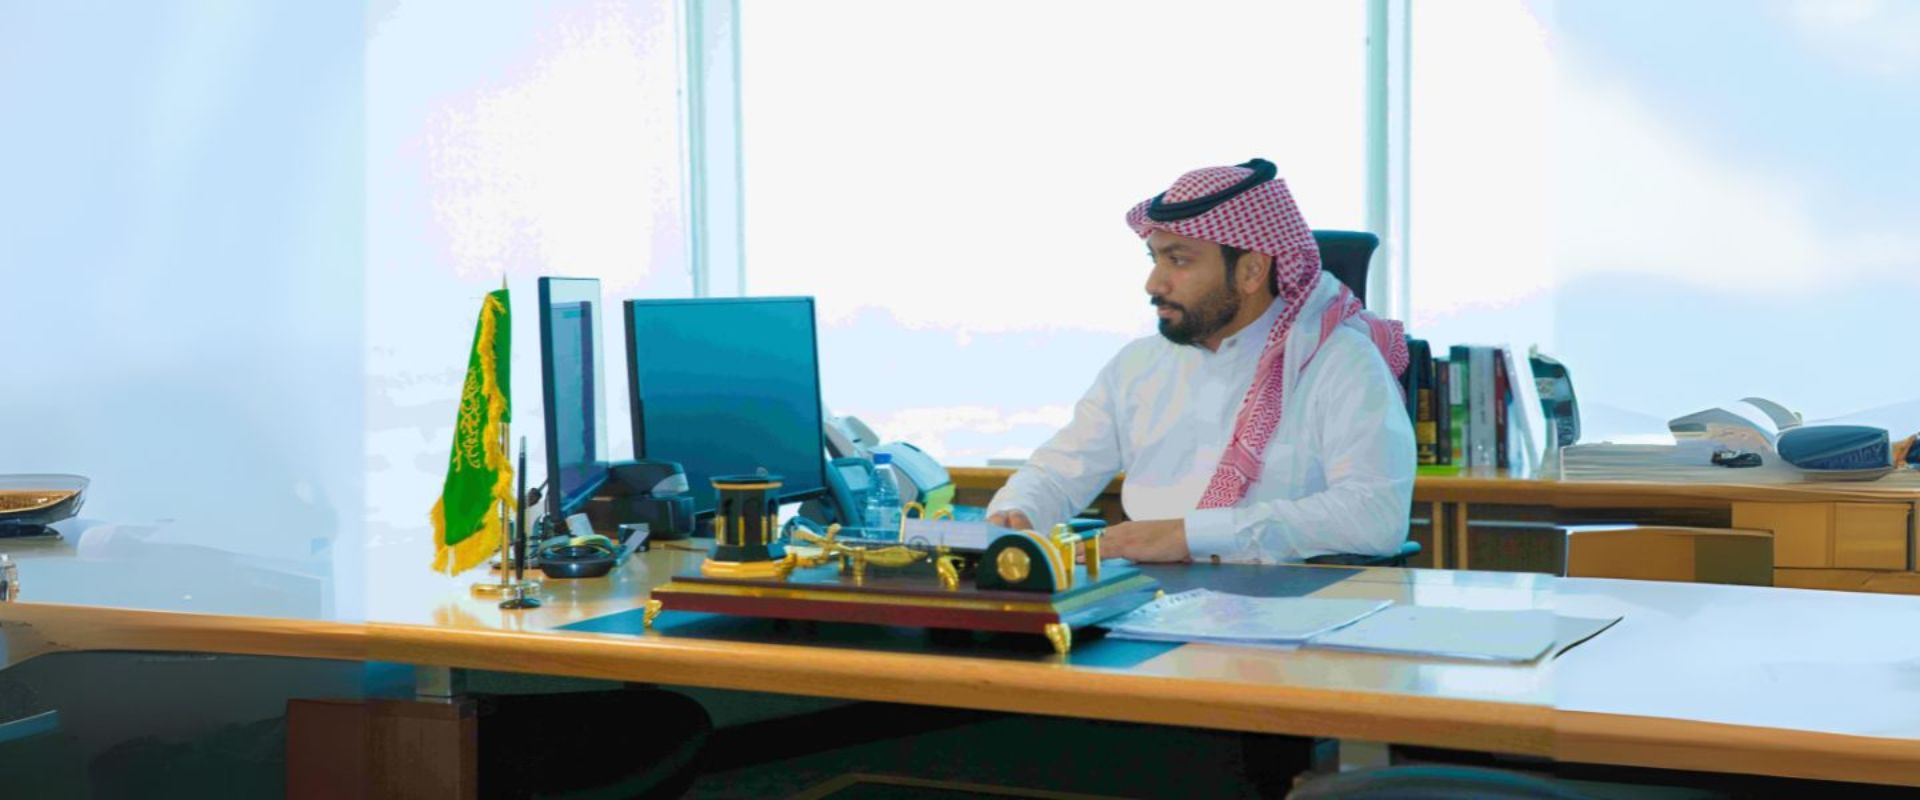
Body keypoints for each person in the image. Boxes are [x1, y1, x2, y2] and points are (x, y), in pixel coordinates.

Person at [987, 158, 1415, 563]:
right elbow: (1059, 471)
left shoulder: (1339, 362)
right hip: (1148, 591)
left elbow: (1375, 517)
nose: (1154, 283)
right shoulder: (1137, 365)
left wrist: (1188, 536)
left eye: (1178, 260)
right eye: (1155, 259)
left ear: (1251, 271)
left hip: (1293, 594)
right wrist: (1020, 512)